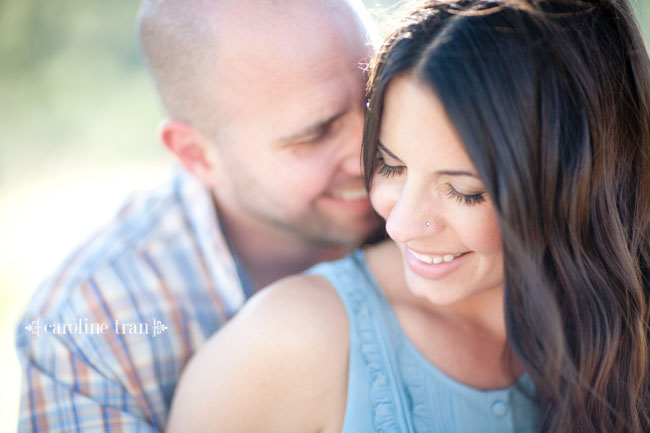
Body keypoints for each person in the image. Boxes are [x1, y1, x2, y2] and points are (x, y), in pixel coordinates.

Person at [167, 0, 650, 432]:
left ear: (581, 182)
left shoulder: (628, 317)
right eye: (390, 165)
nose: (397, 227)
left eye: (464, 192)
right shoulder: (289, 340)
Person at [15, 0, 382, 431]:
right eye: (315, 133)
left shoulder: (454, 195)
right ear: (197, 154)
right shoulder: (90, 328)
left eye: (376, 95)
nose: (370, 150)